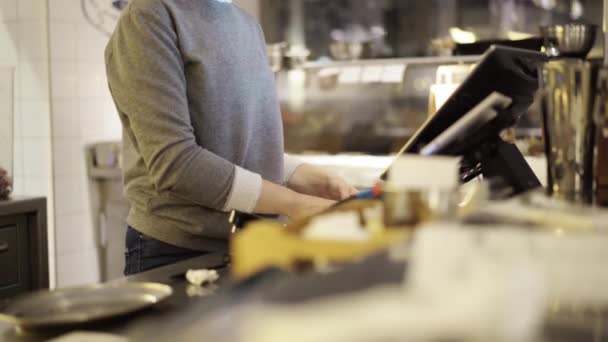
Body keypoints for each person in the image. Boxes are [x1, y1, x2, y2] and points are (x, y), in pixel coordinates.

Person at [105, 0, 358, 275]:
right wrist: (294, 203)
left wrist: (300, 174)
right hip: (176, 250)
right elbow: (177, 165)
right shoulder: (149, 16)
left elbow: (235, 148)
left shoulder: (247, 26)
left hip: (254, 243)